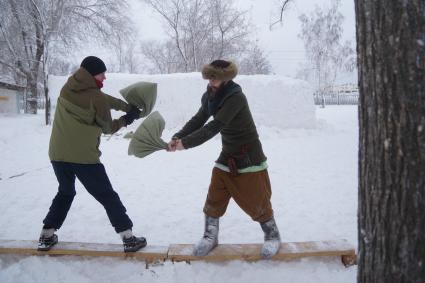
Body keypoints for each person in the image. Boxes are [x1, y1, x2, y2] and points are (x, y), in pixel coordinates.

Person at [168, 59, 281, 259]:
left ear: (226, 78)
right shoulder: (210, 95)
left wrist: (186, 144)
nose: (211, 81)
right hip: (228, 153)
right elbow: (199, 119)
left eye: (216, 78)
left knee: (257, 200)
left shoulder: (235, 97)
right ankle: (210, 236)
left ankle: (272, 235)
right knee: (215, 193)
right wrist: (178, 136)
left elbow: (214, 126)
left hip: (248, 155)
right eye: (210, 77)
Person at [38, 56, 146, 253]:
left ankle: (46, 236)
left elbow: (104, 99)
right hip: (83, 158)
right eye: (102, 73)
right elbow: (107, 127)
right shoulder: (95, 97)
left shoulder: (68, 88)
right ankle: (129, 238)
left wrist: (126, 107)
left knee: (66, 191)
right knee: (107, 195)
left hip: (57, 154)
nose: (104, 77)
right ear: (92, 74)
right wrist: (127, 118)